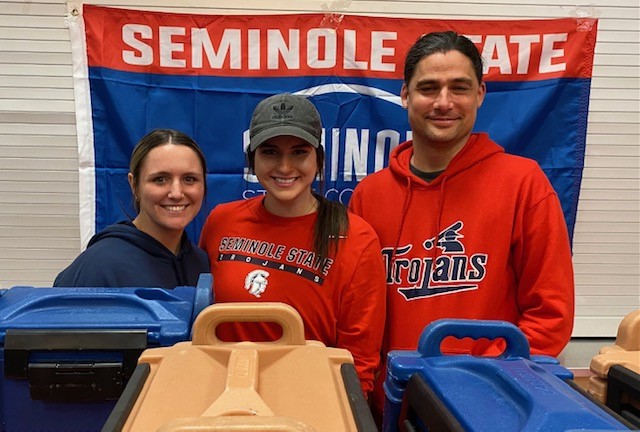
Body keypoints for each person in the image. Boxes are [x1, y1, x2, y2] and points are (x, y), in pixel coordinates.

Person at [349, 31, 575, 416]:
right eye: (428, 88)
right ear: (405, 94)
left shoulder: (523, 182)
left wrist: (487, 386)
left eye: (459, 88)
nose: (443, 102)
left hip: (489, 405)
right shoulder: (370, 195)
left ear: (480, 94)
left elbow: (549, 313)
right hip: (392, 404)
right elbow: (357, 316)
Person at [199, 93, 386, 396]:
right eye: (270, 152)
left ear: (318, 159)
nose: (285, 167)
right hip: (221, 396)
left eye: (299, 152)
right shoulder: (221, 222)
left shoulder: (355, 238)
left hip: (307, 402)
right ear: (252, 158)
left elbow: (359, 363)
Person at [54, 129, 210, 288]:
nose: (176, 193)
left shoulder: (200, 263)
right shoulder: (99, 266)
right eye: (160, 179)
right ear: (134, 185)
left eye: (189, 179)